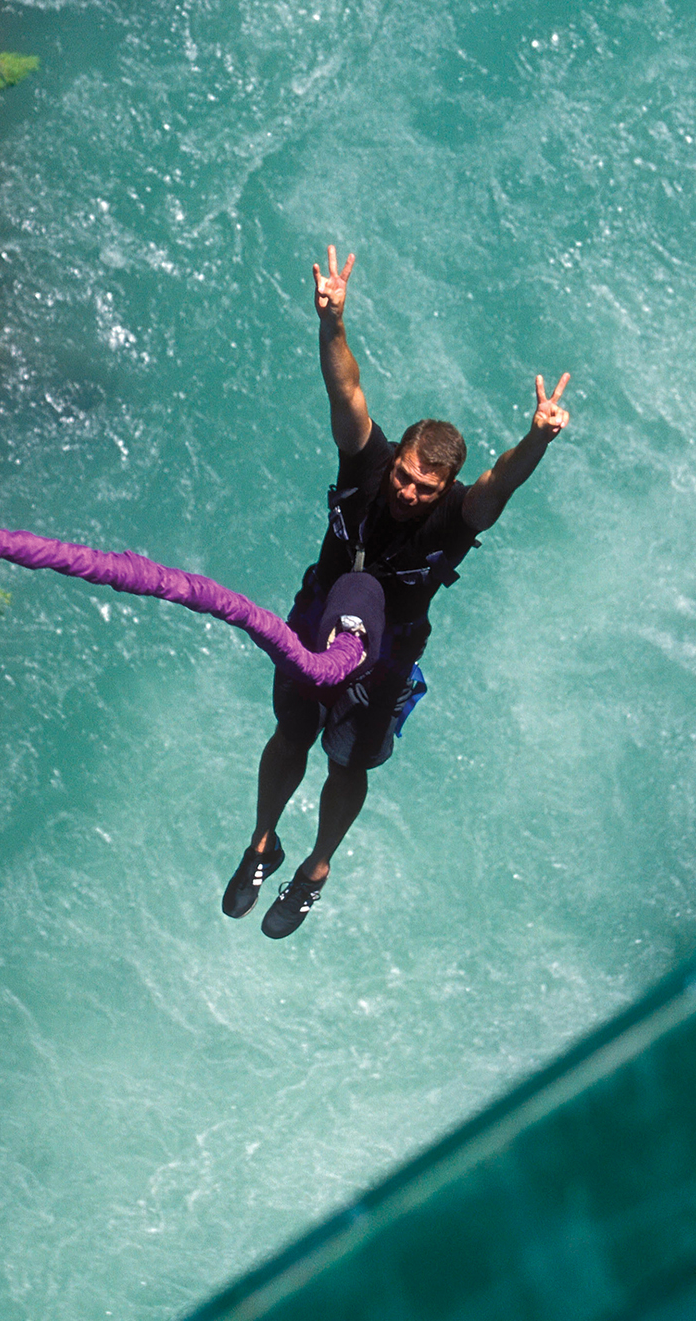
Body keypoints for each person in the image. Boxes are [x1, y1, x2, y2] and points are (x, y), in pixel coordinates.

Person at [224, 245, 570, 940]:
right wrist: (332, 322)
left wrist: (538, 439)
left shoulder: (461, 514)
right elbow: (345, 390)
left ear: (447, 489)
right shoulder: (365, 465)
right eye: (407, 477)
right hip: (318, 616)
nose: (410, 493)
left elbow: (502, 480)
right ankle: (263, 843)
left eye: (426, 487)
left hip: (387, 657)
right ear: (398, 460)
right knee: (292, 731)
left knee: (346, 762)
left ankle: (315, 866)